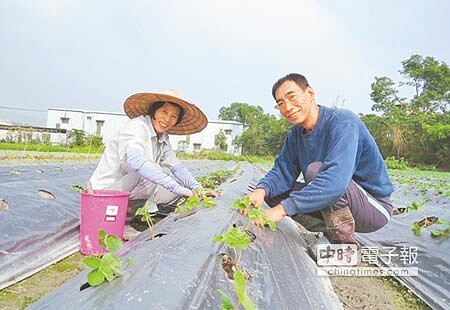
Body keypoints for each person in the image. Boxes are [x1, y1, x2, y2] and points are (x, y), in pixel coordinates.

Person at [246, 73, 394, 244]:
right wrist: (261, 190)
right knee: (274, 191)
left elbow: (336, 181)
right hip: (337, 199)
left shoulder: (342, 122)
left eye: (292, 97)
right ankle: (328, 233)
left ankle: (345, 248)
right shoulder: (295, 135)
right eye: (280, 103)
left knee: (316, 171)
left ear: (310, 93)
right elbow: (282, 171)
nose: (287, 107)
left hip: (373, 207)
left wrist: (282, 209)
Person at [89, 90, 212, 235]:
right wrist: (178, 188)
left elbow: (177, 167)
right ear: (154, 110)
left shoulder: (163, 138)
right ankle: (125, 223)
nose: (167, 119)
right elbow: (137, 162)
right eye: (164, 112)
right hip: (105, 192)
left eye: (173, 116)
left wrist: (198, 189)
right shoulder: (137, 127)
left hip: (130, 188)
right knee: (152, 171)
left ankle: (138, 216)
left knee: (175, 191)